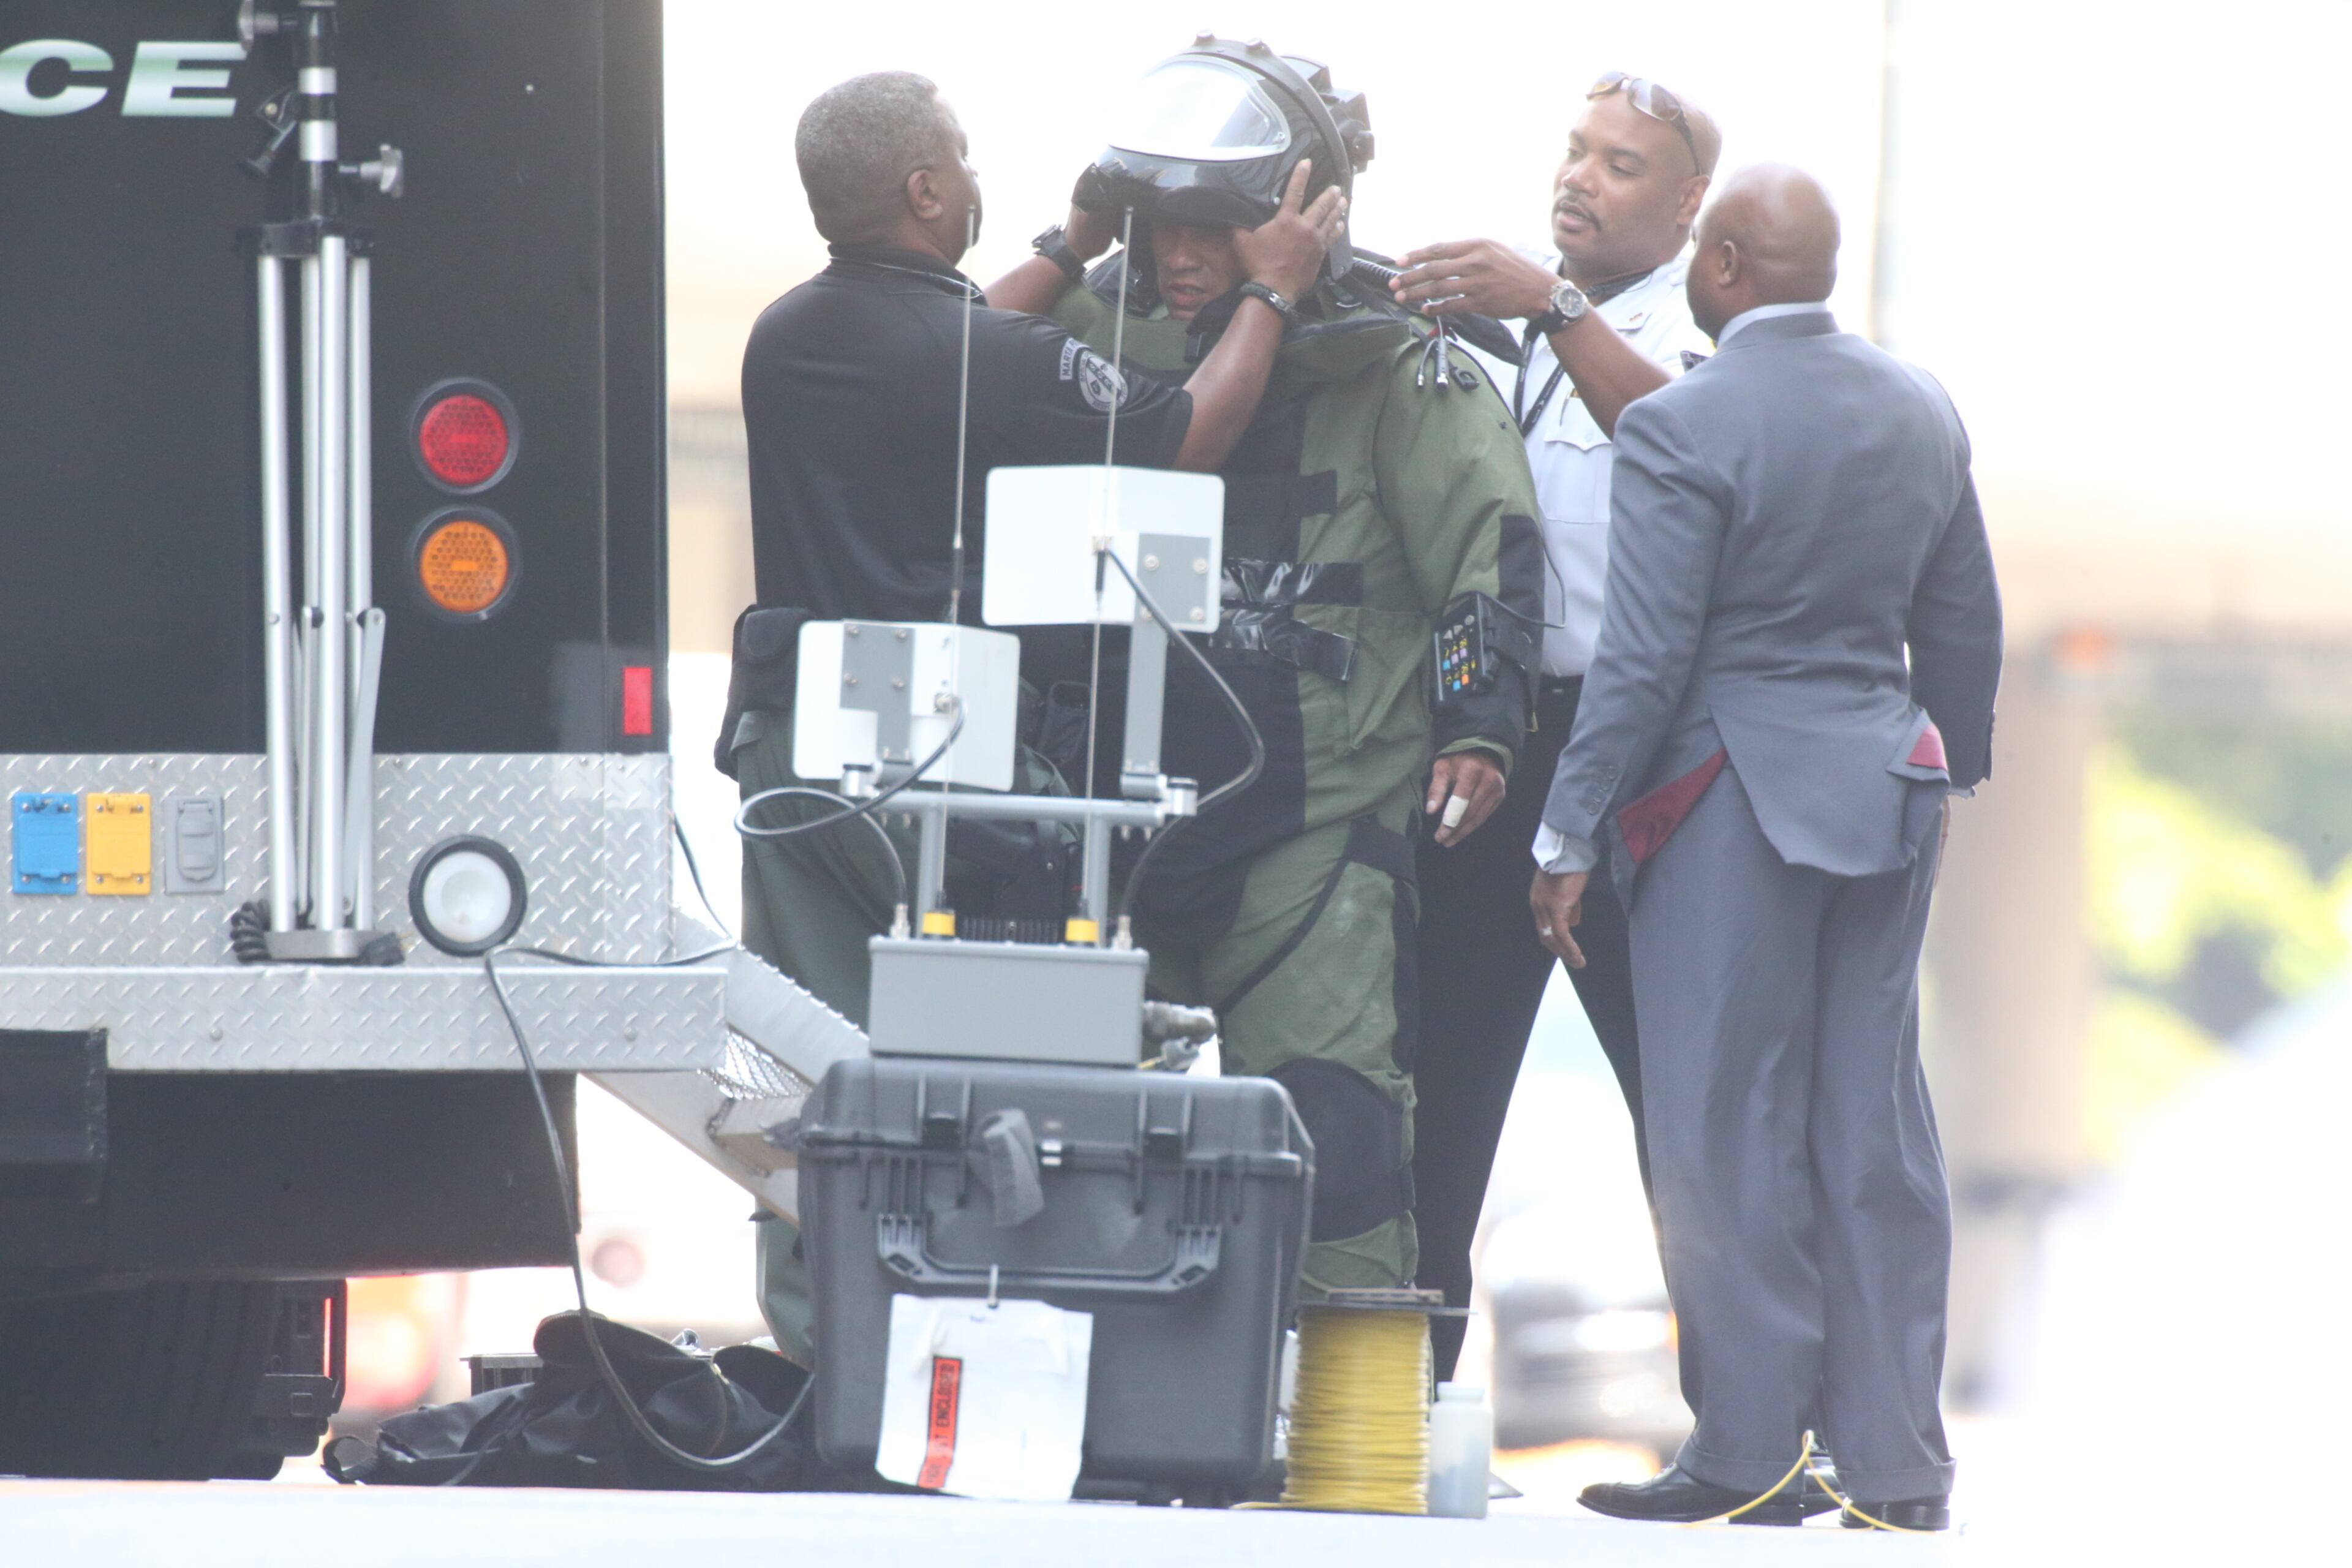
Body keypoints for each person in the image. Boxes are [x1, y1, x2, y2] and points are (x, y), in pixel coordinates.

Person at [726, 70, 1340, 1361]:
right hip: (937, 761)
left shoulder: (788, 335)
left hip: (794, 750)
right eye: (959, 154)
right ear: (928, 189)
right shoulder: (978, 357)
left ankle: (814, 1348)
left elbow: (958, 351)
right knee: (951, 1060)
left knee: (804, 1059)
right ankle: (946, 1342)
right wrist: (1274, 287)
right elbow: (1188, 430)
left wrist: (1067, 245)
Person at [990, 37, 1544, 1294]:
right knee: (1054, 1153)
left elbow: (1488, 547)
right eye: (1159, 221)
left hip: (1315, 826)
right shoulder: (1090, 318)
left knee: (1331, 1140)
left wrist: (1480, 723)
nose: (1181, 255)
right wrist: (1075, 238)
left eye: (1219, 226)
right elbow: (964, 361)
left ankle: (1335, 1439)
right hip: (1102, 821)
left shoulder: (1405, 357)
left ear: (1299, 215)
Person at [1535, 165, 2002, 1530]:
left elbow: (1642, 658)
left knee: (1720, 1124)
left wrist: (1568, 827)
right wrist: (1951, 765)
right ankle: (1899, 1463)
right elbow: (1961, 618)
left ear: (1725, 261)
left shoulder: (1687, 421)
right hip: (1886, 788)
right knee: (1876, 1126)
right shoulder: (1922, 404)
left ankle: (1751, 1451)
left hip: (1727, 795)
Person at [1383, 71, 1722, 1380]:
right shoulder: (1522, 336)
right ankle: (1402, 1395)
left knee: (1680, 1102)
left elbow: (1675, 434)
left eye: (1622, 165)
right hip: (1500, 735)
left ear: (1691, 204)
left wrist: (1551, 303)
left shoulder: (1705, 325)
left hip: (1640, 752)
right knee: (1443, 1071)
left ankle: (1744, 1429)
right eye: (1576, 152)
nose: (1580, 177)